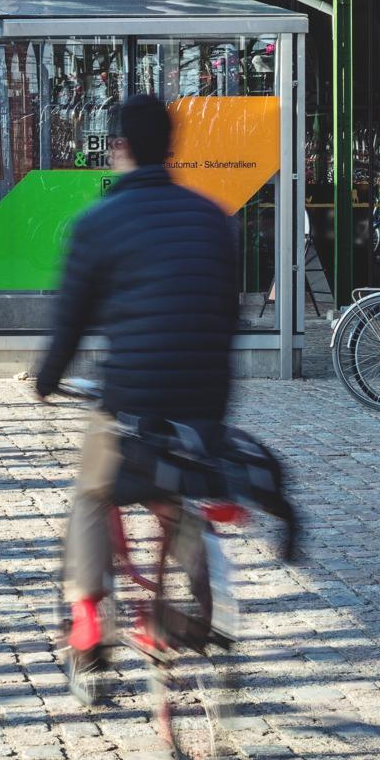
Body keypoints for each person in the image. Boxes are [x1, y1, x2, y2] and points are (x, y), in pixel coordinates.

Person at [33, 93, 239, 707]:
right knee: (180, 491)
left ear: (120, 148)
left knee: (93, 496)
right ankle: (206, 611)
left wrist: (46, 379)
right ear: (172, 147)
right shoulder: (213, 217)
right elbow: (227, 316)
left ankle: (91, 622)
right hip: (205, 403)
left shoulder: (99, 223)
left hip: (131, 403)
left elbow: (70, 325)